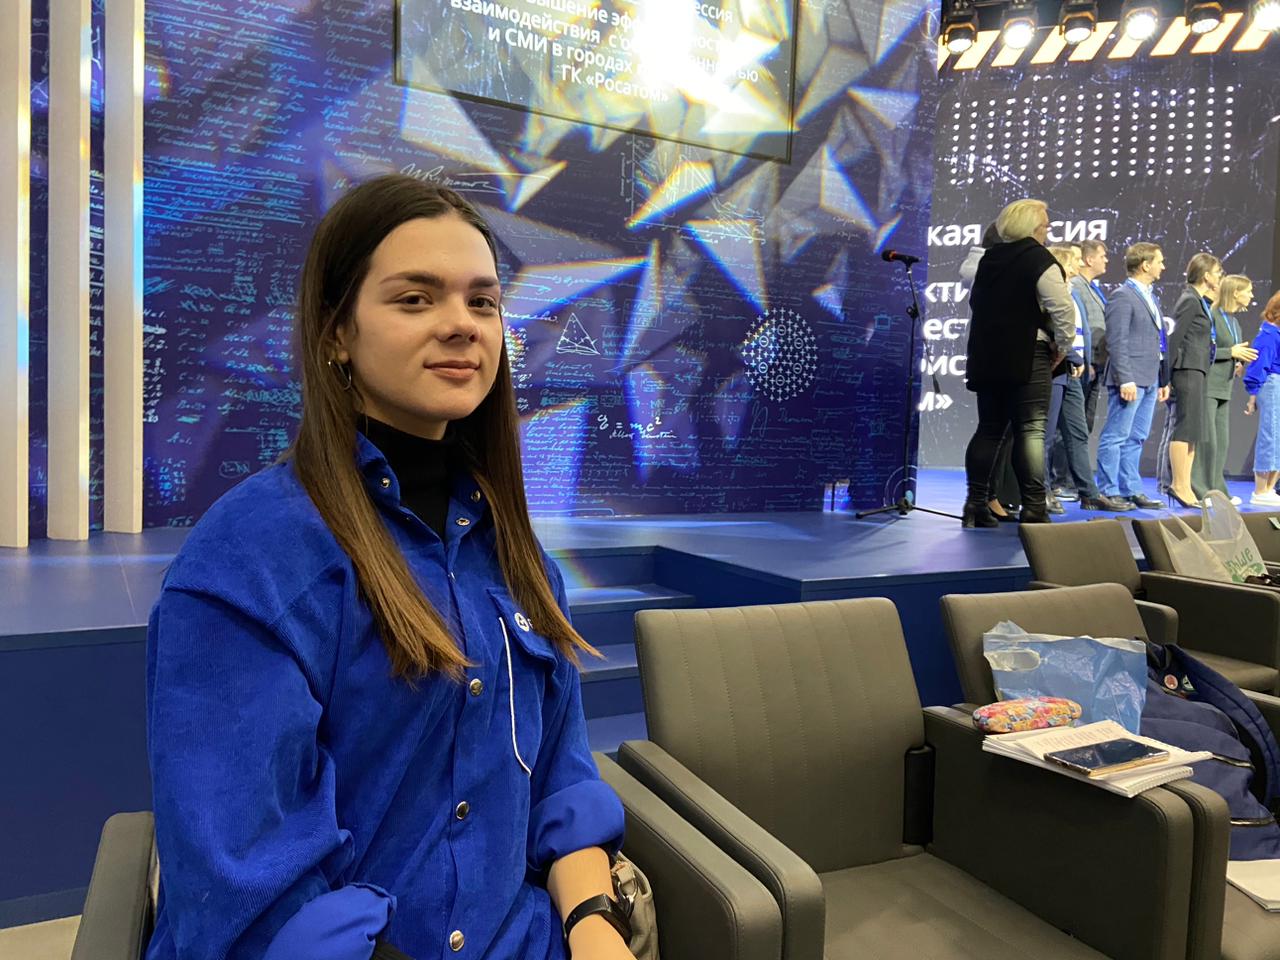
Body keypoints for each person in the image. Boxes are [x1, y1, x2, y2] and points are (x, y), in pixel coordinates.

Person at [144, 176, 631, 960]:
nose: (462, 324)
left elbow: (562, 781)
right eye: (415, 299)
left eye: (482, 301)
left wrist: (594, 925)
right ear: (337, 332)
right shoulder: (250, 564)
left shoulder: (519, 559)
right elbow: (255, 893)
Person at [962, 199, 1075, 527]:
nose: (1048, 231)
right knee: (1031, 431)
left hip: (988, 356)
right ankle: (1034, 507)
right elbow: (1063, 309)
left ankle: (975, 505)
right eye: (1045, 226)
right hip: (1028, 355)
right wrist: (1063, 347)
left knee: (988, 430)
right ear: (1033, 228)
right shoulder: (1040, 259)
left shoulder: (987, 260)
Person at [1047, 244, 1132, 511]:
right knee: (1047, 435)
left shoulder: (1073, 292)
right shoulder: (1053, 293)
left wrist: (1082, 361)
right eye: (1073, 260)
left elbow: (1079, 331)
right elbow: (1055, 329)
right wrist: (1073, 357)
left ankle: (1089, 493)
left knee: (1078, 431)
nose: (1078, 264)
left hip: (1074, 371)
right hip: (1056, 369)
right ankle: (1044, 490)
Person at [1094, 242, 1169, 509]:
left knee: (1136, 437)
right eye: (1159, 261)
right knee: (1116, 435)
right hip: (1130, 378)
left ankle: (1131, 489)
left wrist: (1163, 379)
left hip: (1150, 377)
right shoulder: (1123, 296)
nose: (1163, 266)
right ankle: (1108, 490)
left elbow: (1158, 341)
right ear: (1145, 265)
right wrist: (1125, 378)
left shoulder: (1150, 296)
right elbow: (1116, 341)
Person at [1163, 254, 1225, 507]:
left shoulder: (1200, 301)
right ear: (1206, 275)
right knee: (1184, 428)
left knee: (1193, 432)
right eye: (1218, 272)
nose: (1220, 277)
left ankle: (1186, 486)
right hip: (1186, 370)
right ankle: (1177, 485)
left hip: (1197, 370)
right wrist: (1165, 377)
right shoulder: (1189, 300)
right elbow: (1174, 339)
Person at [1193, 274, 1258, 501]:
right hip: (1208, 385)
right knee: (1207, 441)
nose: (1251, 295)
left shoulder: (1234, 322)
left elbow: (1233, 351)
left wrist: (1238, 363)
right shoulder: (1212, 316)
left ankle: (1217, 489)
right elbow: (1202, 350)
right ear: (1236, 293)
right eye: (1248, 291)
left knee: (1221, 442)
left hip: (1224, 387)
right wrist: (1230, 352)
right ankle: (1200, 489)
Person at [1244, 292, 1280, 506]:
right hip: (1273, 383)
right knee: (1271, 435)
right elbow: (1258, 367)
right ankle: (1260, 490)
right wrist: (1253, 395)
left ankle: (1269, 488)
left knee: (1277, 437)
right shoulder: (1268, 334)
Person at [1076, 239, 1111, 433]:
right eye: (1102, 256)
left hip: (1096, 365)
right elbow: (1078, 326)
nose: (1106, 260)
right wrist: (1084, 360)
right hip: (1084, 365)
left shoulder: (1090, 287)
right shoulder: (1076, 286)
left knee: (1086, 423)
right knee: (1074, 424)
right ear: (1089, 260)